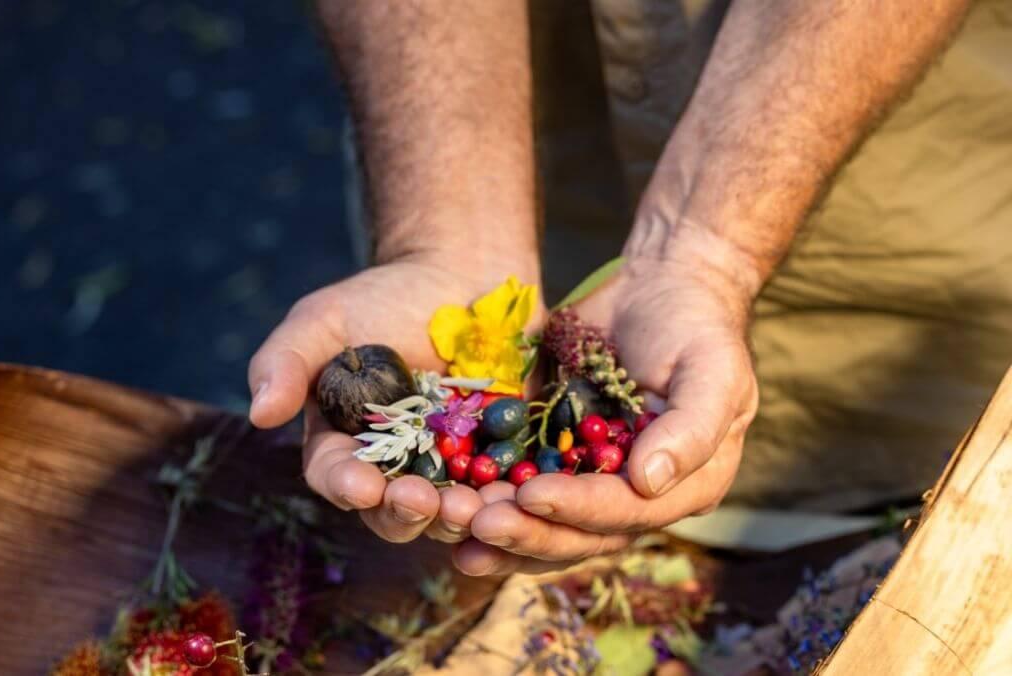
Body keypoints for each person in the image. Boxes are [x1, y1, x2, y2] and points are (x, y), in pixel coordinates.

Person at [247, 0, 1012, 576]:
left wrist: (705, 249)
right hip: (527, 159)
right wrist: (444, 232)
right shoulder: (495, 408)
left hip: (908, 259)